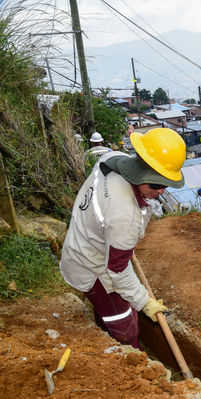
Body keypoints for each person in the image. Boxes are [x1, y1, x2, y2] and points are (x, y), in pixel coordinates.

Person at [60, 127, 186, 349]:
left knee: (112, 312)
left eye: (165, 185)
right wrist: (144, 301)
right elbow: (117, 269)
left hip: (85, 241)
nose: (161, 192)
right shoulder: (125, 216)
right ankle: (132, 361)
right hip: (91, 264)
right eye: (156, 185)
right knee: (125, 323)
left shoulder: (112, 159)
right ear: (140, 174)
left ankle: (105, 336)